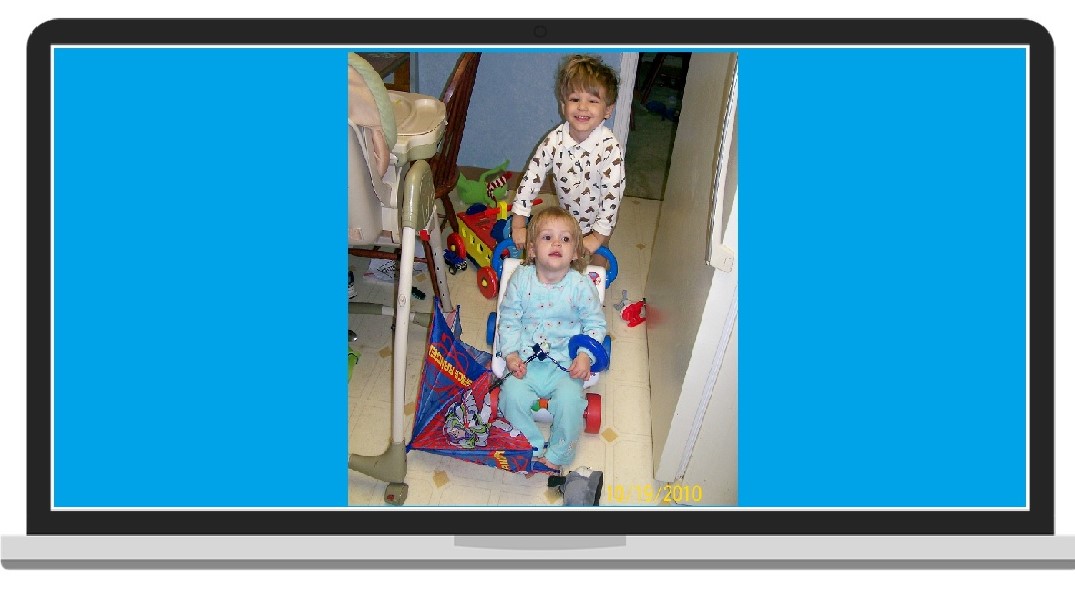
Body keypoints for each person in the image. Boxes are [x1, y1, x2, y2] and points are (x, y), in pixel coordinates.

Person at [497, 206, 607, 471]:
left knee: (571, 404)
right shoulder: (520, 280)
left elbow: (595, 323)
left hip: (566, 364)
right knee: (509, 398)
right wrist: (511, 354)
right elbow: (509, 319)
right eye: (547, 237)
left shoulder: (581, 286)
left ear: (576, 252)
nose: (557, 243)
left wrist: (584, 355)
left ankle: (558, 453)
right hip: (526, 361)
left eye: (565, 239)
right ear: (532, 249)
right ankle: (531, 445)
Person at [510, 54, 626, 268]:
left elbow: (612, 197)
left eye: (592, 101)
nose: (582, 107)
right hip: (568, 217)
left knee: (596, 259)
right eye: (575, 99)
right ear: (564, 105)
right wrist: (519, 221)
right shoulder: (554, 141)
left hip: (600, 219)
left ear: (607, 110)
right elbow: (532, 178)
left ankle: (596, 282)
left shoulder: (610, 148)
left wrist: (598, 236)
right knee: (567, 255)